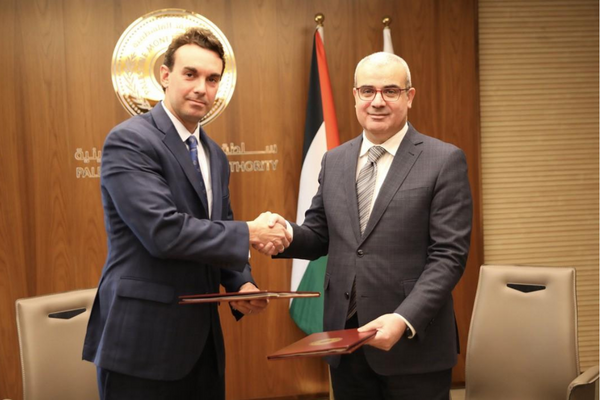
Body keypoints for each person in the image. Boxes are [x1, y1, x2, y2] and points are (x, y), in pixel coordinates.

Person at [82, 27, 290, 400]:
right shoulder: (130, 141)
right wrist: (250, 232)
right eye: (190, 74)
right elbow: (162, 232)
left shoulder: (215, 155)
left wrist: (241, 283)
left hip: (202, 346)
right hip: (142, 344)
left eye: (212, 79)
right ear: (165, 75)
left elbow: (218, 227)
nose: (201, 88)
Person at [268, 52, 473, 399]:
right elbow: (318, 235)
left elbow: (449, 257)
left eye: (390, 91)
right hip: (346, 341)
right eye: (367, 91)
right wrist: (283, 234)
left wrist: (403, 319)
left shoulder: (443, 160)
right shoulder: (335, 160)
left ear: (409, 96)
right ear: (355, 96)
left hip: (413, 345)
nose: (377, 101)